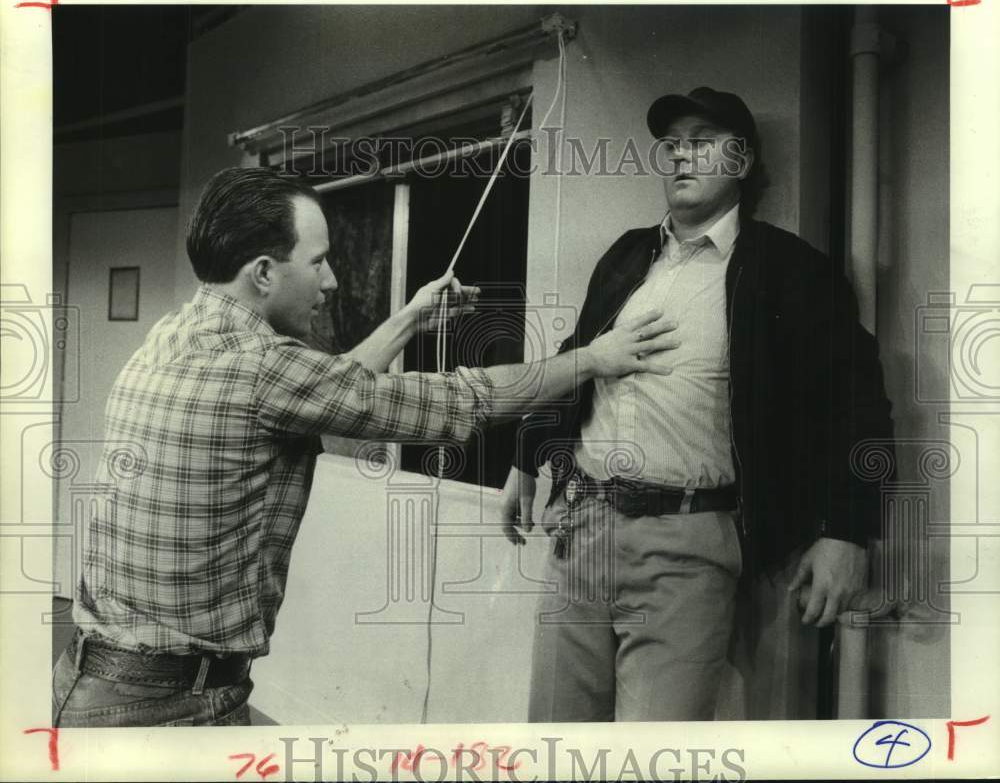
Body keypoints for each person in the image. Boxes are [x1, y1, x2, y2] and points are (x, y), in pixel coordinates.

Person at [52, 167, 680, 727]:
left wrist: (409, 317)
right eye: (318, 260)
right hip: (169, 705)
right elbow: (455, 402)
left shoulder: (178, 333)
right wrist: (592, 358)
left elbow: (327, 391)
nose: (332, 279)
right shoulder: (261, 367)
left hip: (99, 680)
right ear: (265, 273)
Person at [501, 87, 894, 721]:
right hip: (582, 528)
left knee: (651, 752)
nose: (681, 157)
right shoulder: (628, 255)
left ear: (741, 163)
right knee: (555, 736)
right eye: (672, 145)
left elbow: (859, 401)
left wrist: (848, 532)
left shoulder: (789, 270)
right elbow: (580, 360)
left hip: (687, 543)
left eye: (702, 142)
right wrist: (526, 458)